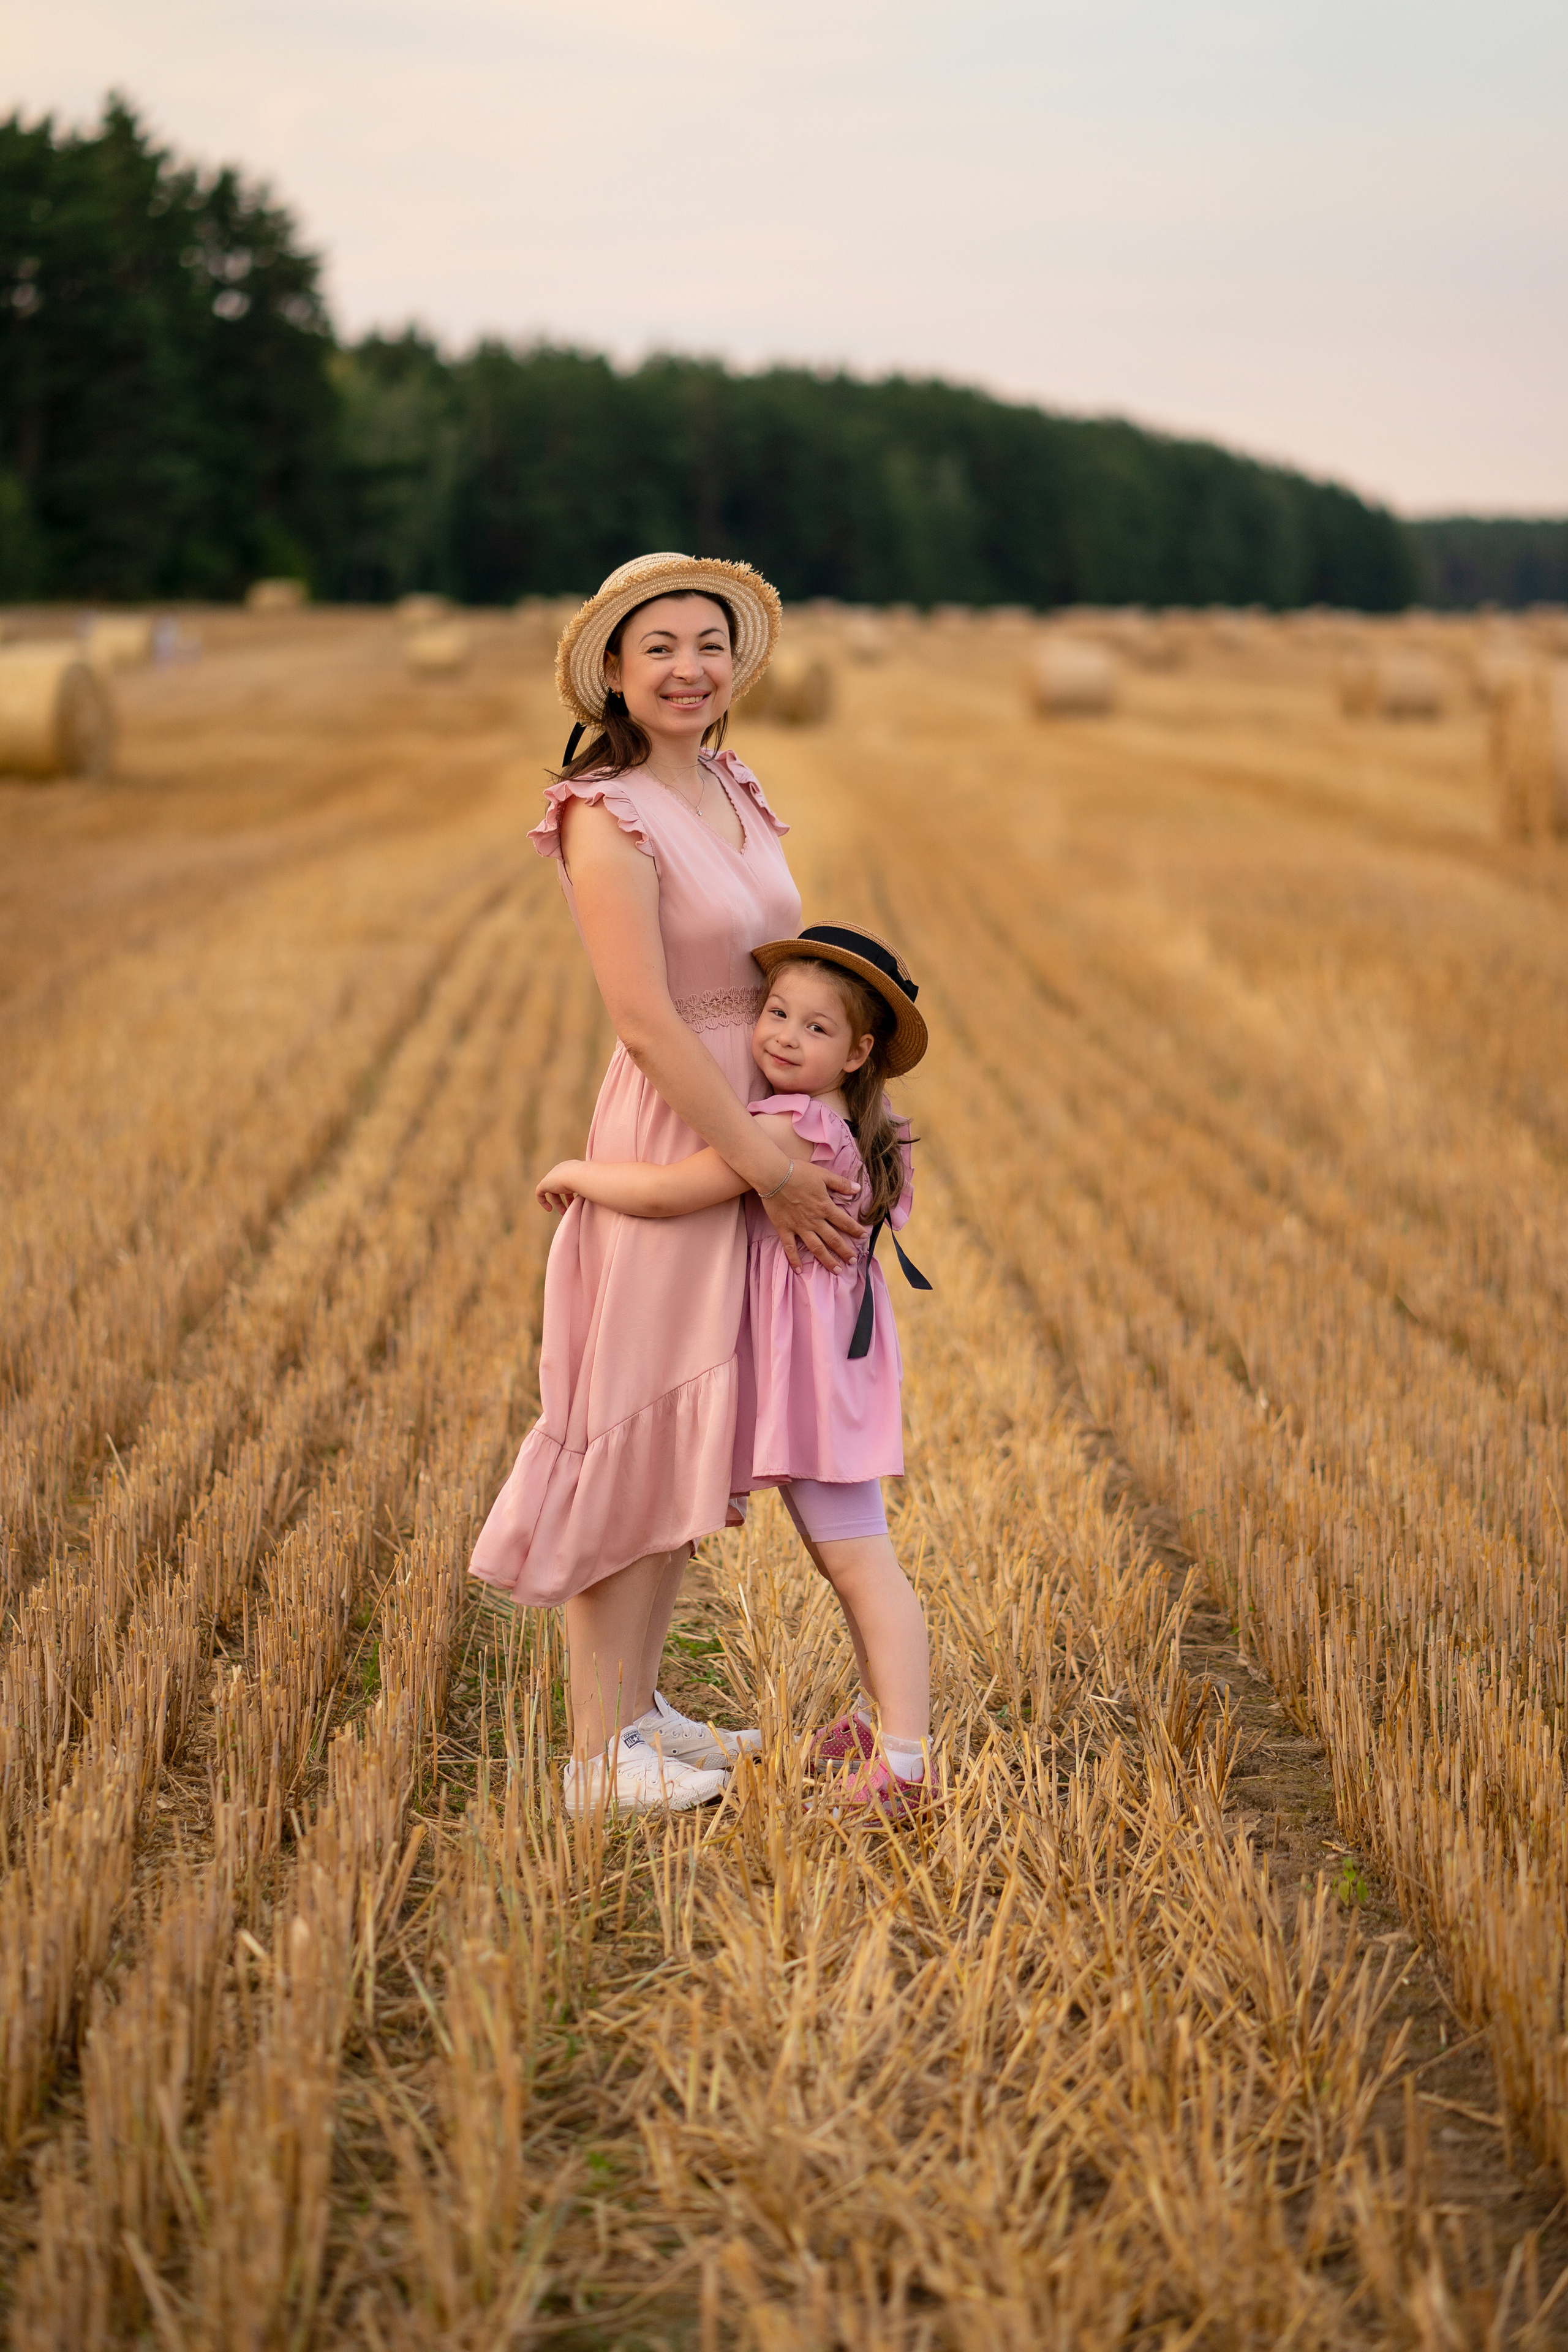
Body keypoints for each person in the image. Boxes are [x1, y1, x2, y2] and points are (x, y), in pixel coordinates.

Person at [469, 554, 865, 1816]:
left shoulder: (731, 785)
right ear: (616, 677)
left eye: (709, 643)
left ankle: (639, 1713)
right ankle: (596, 1759)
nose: (689, 666)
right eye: (660, 649)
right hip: (675, 1121)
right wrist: (752, 1158)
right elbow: (642, 1019)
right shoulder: (605, 811)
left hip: (744, 1117)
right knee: (633, 1419)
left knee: (693, 1418)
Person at [538, 922, 935, 1821]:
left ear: (860, 1051)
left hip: (811, 1389)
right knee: (851, 1559)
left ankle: (907, 1762)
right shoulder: (868, 1131)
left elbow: (674, 1191)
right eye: (778, 1013)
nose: (785, 1037)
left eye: (816, 1028)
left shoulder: (784, 1126)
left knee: (862, 1564)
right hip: (837, 1374)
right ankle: (886, 1731)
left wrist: (582, 1174)